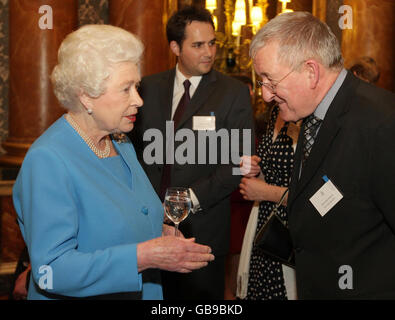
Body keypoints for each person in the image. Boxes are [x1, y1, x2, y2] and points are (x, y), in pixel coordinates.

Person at [12, 24, 214, 300]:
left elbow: (125, 216)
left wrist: (160, 232)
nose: (139, 100)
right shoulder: (48, 160)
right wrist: (143, 256)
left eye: (137, 87)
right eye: (126, 89)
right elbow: (51, 271)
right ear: (86, 96)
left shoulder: (119, 141)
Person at [249, 11, 395, 299]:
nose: (266, 95)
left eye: (270, 80)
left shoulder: (382, 123)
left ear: (311, 72)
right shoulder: (310, 114)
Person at [129, 6, 254, 300]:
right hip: (147, 224)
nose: (208, 52)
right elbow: (133, 152)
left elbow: (238, 162)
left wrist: (186, 200)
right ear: (175, 47)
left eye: (212, 43)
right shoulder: (147, 87)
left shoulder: (233, 92)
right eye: (198, 45)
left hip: (204, 226)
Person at [238, 100, 300, 300]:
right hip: (265, 226)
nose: (265, 94)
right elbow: (275, 171)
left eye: (270, 80)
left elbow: (316, 195)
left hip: (290, 228)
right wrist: (256, 170)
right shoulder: (276, 112)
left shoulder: (306, 116)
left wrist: (265, 192)